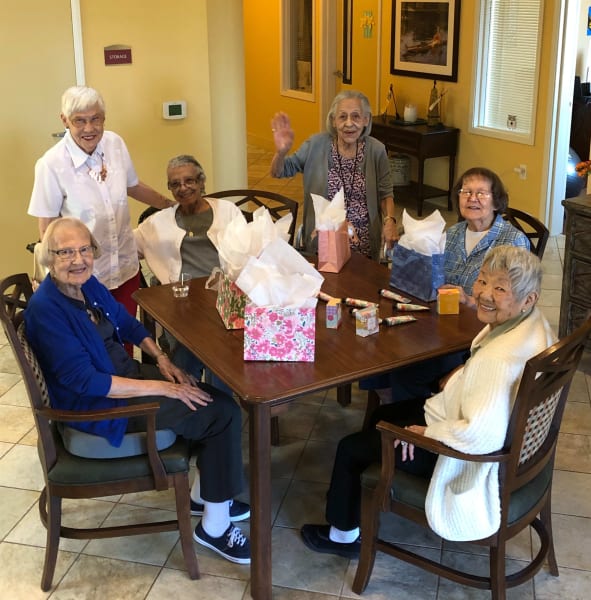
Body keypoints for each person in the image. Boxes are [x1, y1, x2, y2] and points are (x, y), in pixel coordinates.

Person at [301, 246, 556, 556]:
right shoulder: (534, 326)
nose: (485, 293)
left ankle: (342, 537)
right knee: (384, 414)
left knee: (350, 448)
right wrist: (466, 369)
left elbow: (480, 435)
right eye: (483, 280)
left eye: (500, 288)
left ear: (528, 299)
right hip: (484, 433)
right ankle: (369, 501)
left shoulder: (497, 361)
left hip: (462, 456)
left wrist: (425, 435)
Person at [24, 217, 251, 565]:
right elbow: (89, 383)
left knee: (202, 390)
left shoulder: (86, 286)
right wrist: (165, 389)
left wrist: (162, 359)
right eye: (65, 252)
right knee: (222, 413)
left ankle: (206, 495)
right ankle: (215, 527)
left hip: (122, 380)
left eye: (84, 249)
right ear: (48, 258)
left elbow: (126, 322)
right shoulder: (47, 310)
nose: (78, 259)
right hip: (101, 409)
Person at [362, 166, 531, 403]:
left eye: (481, 193)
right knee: (377, 347)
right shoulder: (451, 234)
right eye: (466, 192)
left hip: (477, 338)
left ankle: (413, 421)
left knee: (408, 368)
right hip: (440, 325)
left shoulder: (512, 242)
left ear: (496, 202)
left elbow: (512, 308)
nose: (472, 198)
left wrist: (469, 300)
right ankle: (392, 407)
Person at [28, 85, 174, 324]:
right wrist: (58, 278)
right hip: (84, 276)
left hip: (125, 267)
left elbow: (133, 185)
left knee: (125, 337)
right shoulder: (51, 165)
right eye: (79, 121)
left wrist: (169, 204)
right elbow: (47, 229)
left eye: (96, 119)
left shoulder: (114, 143)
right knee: (97, 346)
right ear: (65, 120)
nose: (89, 128)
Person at [133, 154, 232, 395]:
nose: (183, 188)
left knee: (219, 350)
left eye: (189, 181)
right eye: (175, 184)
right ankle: (193, 400)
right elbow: (125, 247)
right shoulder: (158, 222)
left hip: (224, 298)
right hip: (182, 303)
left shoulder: (226, 210)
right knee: (196, 348)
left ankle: (219, 404)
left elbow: (248, 249)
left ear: (201, 182)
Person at [270, 89, 398, 260]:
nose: (349, 123)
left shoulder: (376, 150)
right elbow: (279, 172)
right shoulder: (315, 145)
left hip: (364, 249)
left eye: (356, 116)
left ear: (366, 119)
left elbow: (386, 193)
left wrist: (390, 220)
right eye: (342, 117)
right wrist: (281, 152)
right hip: (321, 245)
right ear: (333, 120)